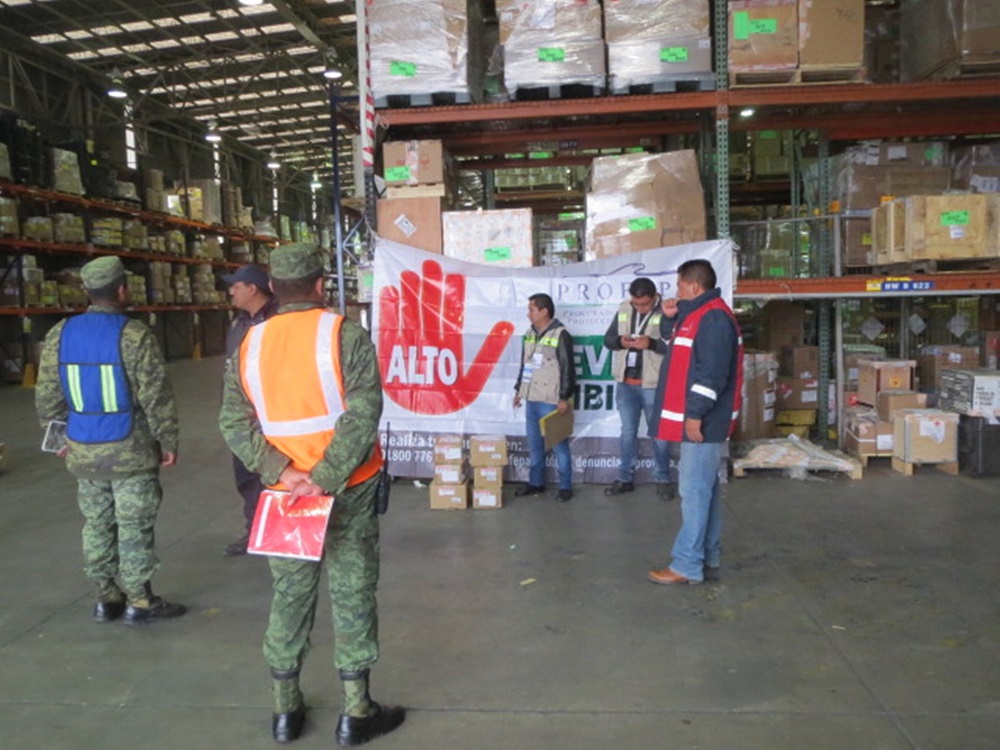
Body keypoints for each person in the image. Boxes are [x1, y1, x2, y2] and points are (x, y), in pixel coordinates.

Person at [219, 244, 404, 746]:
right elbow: (364, 414)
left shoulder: (250, 345)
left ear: (274, 288)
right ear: (322, 284)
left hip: (285, 495)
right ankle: (356, 711)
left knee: (290, 594)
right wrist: (328, 475)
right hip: (352, 486)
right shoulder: (345, 335)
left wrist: (285, 471)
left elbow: (234, 424)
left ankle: (285, 711)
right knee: (352, 590)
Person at [35, 256, 186, 625]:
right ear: (121, 290)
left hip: (83, 450)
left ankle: (107, 597)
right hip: (129, 451)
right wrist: (167, 440)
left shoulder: (60, 334)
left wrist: (58, 438)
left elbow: (47, 396)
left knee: (97, 521)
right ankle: (140, 601)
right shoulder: (134, 335)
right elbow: (155, 396)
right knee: (133, 524)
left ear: (87, 293)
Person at [647, 259, 743, 586]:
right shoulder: (697, 315)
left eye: (678, 286)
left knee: (694, 493)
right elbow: (673, 340)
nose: (676, 292)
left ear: (693, 286)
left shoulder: (713, 318)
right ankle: (707, 555)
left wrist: (695, 414)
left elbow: (712, 375)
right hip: (702, 421)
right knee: (704, 492)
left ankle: (687, 564)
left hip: (704, 423)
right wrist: (669, 316)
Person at [220, 263, 279, 557]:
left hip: (277, 413)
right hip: (244, 416)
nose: (231, 290)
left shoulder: (281, 320)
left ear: (253, 289)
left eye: (236, 286)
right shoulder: (238, 324)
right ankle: (255, 532)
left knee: (280, 473)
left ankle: (285, 533)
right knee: (247, 476)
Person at [602, 277, 675, 500]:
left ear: (654, 297)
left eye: (644, 304)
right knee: (627, 433)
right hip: (626, 382)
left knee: (659, 434)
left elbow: (675, 346)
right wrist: (620, 342)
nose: (640, 308)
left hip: (653, 383)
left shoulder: (668, 310)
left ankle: (663, 479)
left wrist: (651, 344)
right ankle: (625, 478)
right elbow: (608, 340)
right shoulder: (624, 308)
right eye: (636, 304)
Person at [512, 293, 575, 502]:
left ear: (544, 311)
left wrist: (564, 397)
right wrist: (519, 391)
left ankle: (566, 486)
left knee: (559, 445)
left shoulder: (560, 334)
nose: (528, 313)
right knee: (535, 445)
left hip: (551, 400)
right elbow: (526, 364)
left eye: (531, 309)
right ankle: (536, 483)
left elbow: (568, 369)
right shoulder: (530, 333)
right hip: (532, 399)